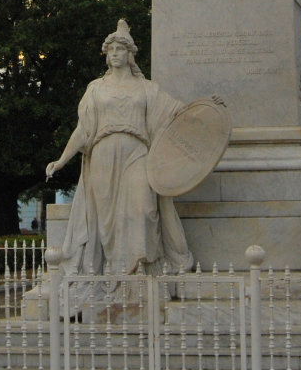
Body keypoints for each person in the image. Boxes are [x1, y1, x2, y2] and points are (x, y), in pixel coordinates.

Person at [45, 19, 195, 275]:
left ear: (130, 55)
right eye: (111, 50)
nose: (115, 54)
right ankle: (114, 274)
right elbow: (83, 130)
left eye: (120, 49)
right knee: (107, 220)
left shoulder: (147, 89)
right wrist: (61, 160)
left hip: (138, 152)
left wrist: (208, 109)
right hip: (103, 153)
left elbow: (179, 113)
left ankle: (139, 270)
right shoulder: (96, 89)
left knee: (144, 209)